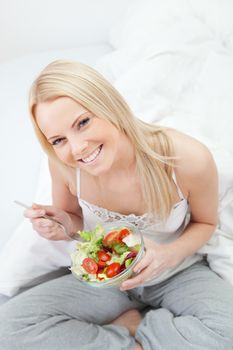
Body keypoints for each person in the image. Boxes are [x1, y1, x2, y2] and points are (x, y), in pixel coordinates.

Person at [1, 60, 233, 350]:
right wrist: (61, 223)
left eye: (83, 123)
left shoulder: (187, 158)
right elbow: (74, 221)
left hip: (176, 271)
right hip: (105, 276)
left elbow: (206, 223)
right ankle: (130, 336)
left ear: (109, 105)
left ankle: (133, 330)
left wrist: (169, 255)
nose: (77, 148)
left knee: (228, 333)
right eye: (59, 140)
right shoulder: (62, 165)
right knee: (7, 328)